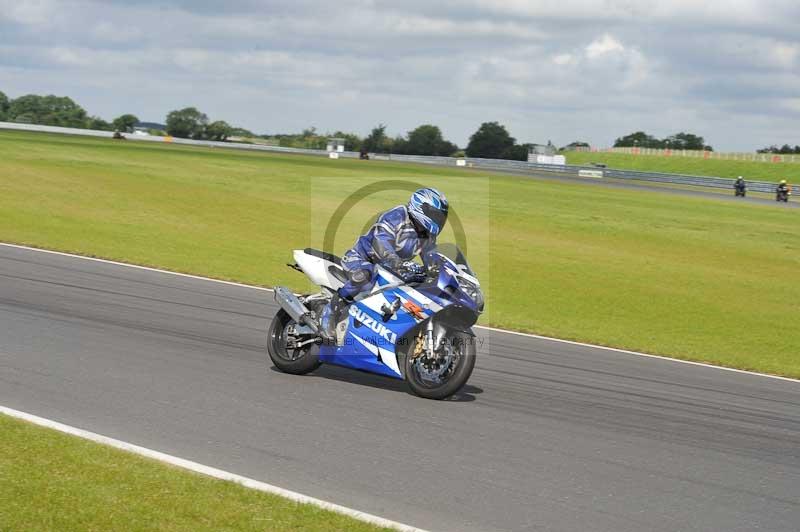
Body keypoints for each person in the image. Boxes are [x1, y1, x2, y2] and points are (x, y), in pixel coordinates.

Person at [319, 187, 449, 340]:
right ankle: (331, 309)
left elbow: (430, 257)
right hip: (361, 259)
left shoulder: (427, 235)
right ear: (420, 207)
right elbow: (380, 242)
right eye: (435, 215)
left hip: (389, 268)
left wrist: (438, 271)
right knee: (367, 274)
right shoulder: (397, 216)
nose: (439, 220)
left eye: (441, 217)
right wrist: (397, 263)